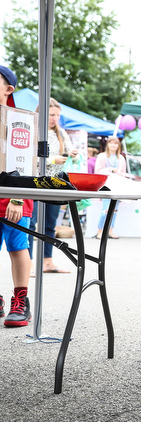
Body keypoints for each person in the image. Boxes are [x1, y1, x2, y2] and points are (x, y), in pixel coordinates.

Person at [0, 64, 32, 327]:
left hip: (14, 196)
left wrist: (17, 197)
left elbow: (23, 161)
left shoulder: (18, 118)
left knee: (17, 247)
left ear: (8, 89)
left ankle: (21, 301)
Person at [39, 98, 77, 273]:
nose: (55, 118)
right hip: (36, 183)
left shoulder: (61, 133)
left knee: (50, 225)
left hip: (55, 184)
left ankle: (48, 261)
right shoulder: (35, 131)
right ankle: (31, 263)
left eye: (58, 115)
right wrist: (52, 159)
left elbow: (71, 153)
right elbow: (31, 156)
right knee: (32, 225)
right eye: (52, 114)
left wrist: (73, 154)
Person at [94, 136, 127, 239]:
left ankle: (110, 231)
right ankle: (100, 231)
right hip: (106, 185)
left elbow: (123, 173)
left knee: (114, 209)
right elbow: (98, 171)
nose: (114, 145)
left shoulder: (121, 158)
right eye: (111, 143)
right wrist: (111, 170)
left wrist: (119, 174)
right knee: (106, 210)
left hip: (117, 185)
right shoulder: (101, 156)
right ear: (107, 144)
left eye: (116, 143)